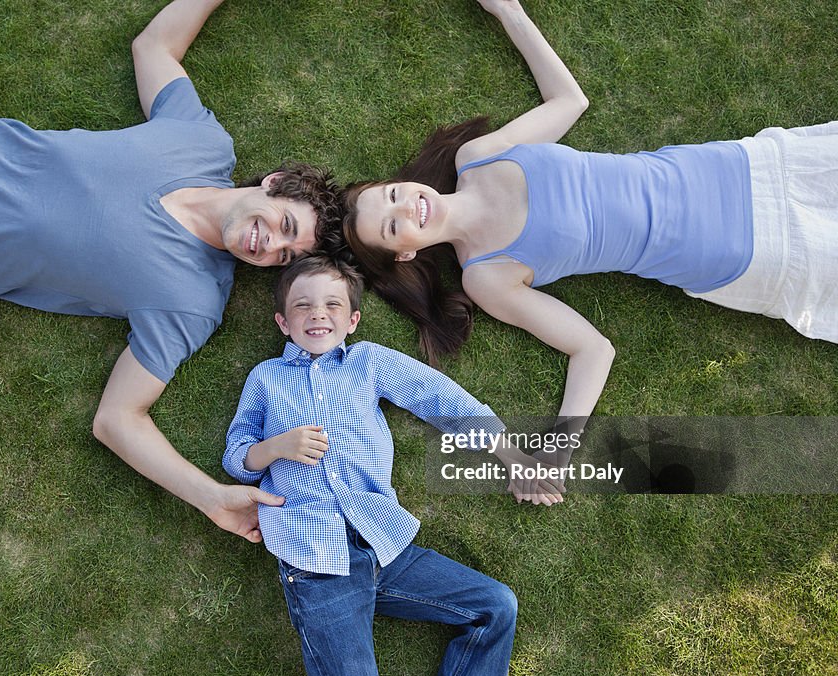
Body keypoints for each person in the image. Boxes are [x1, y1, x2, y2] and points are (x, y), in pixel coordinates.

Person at [0, 0, 344, 542]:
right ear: (274, 183)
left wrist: (212, 498)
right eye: (283, 224)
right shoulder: (202, 142)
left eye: (283, 255)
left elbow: (117, 420)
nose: (268, 244)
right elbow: (154, 47)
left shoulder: (192, 303)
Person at [341, 0, 837, 429]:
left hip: (726, 171)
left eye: (390, 194)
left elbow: (569, 100)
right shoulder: (486, 277)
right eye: (391, 225)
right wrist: (559, 448)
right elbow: (592, 349)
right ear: (406, 251)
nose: (404, 205)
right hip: (729, 251)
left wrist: (507, 10)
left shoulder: (476, 158)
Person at [223, 255, 562, 676]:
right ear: (283, 322)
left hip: (382, 543)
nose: (317, 314)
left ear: (352, 321)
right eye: (302, 306)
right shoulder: (265, 378)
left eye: (332, 305)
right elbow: (237, 458)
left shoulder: (367, 362)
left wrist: (511, 457)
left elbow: (439, 397)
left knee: (496, 606)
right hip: (315, 560)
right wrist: (274, 448)